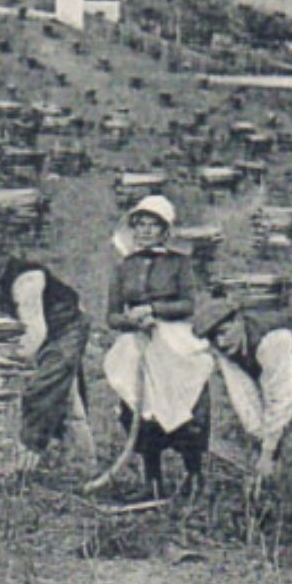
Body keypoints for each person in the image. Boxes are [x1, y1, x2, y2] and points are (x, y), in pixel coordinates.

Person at [192, 299, 292, 518]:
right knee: (276, 440)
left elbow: (280, 400)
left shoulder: (272, 340)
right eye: (214, 338)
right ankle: (288, 492)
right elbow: (244, 395)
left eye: (224, 332)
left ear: (238, 320)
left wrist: (268, 454)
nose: (220, 342)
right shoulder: (223, 349)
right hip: (285, 368)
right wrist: (263, 441)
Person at [102, 195, 215, 501]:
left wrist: (155, 310)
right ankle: (152, 480)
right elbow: (111, 315)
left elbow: (188, 304)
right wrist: (132, 320)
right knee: (138, 407)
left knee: (185, 403)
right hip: (136, 341)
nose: (146, 231)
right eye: (141, 224)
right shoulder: (124, 266)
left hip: (172, 337)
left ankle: (194, 476)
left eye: (154, 225)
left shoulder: (179, 262)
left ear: (166, 231)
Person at [0, 237, 97, 472]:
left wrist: (14, 362)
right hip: (42, 329)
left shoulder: (27, 278)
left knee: (43, 386)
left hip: (67, 326)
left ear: (5, 257)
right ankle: (81, 459)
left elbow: (36, 331)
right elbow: (0, 317)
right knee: (67, 393)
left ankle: (30, 454)